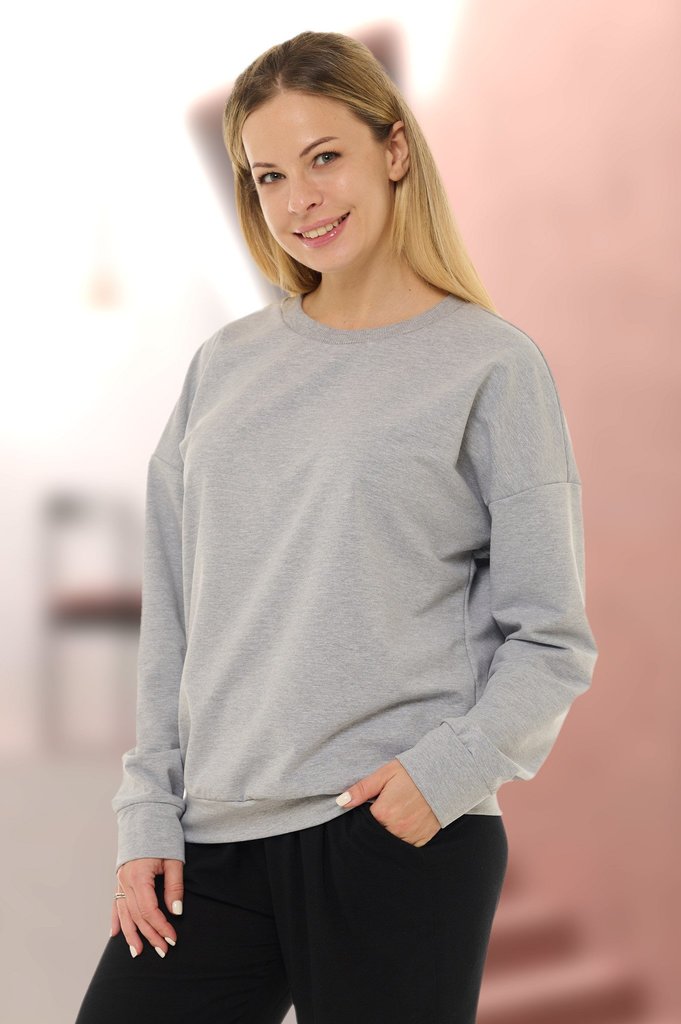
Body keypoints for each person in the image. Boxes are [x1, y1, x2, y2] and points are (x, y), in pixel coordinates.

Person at [75, 29, 598, 1024]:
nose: (300, 201)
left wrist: (442, 776)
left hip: (389, 829)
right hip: (212, 844)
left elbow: (551, 638)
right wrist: (147, 810)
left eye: (324, 158)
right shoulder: (224, 368)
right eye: (270, 176)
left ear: (393, 150)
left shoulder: (489, 366)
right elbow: (174, 613)